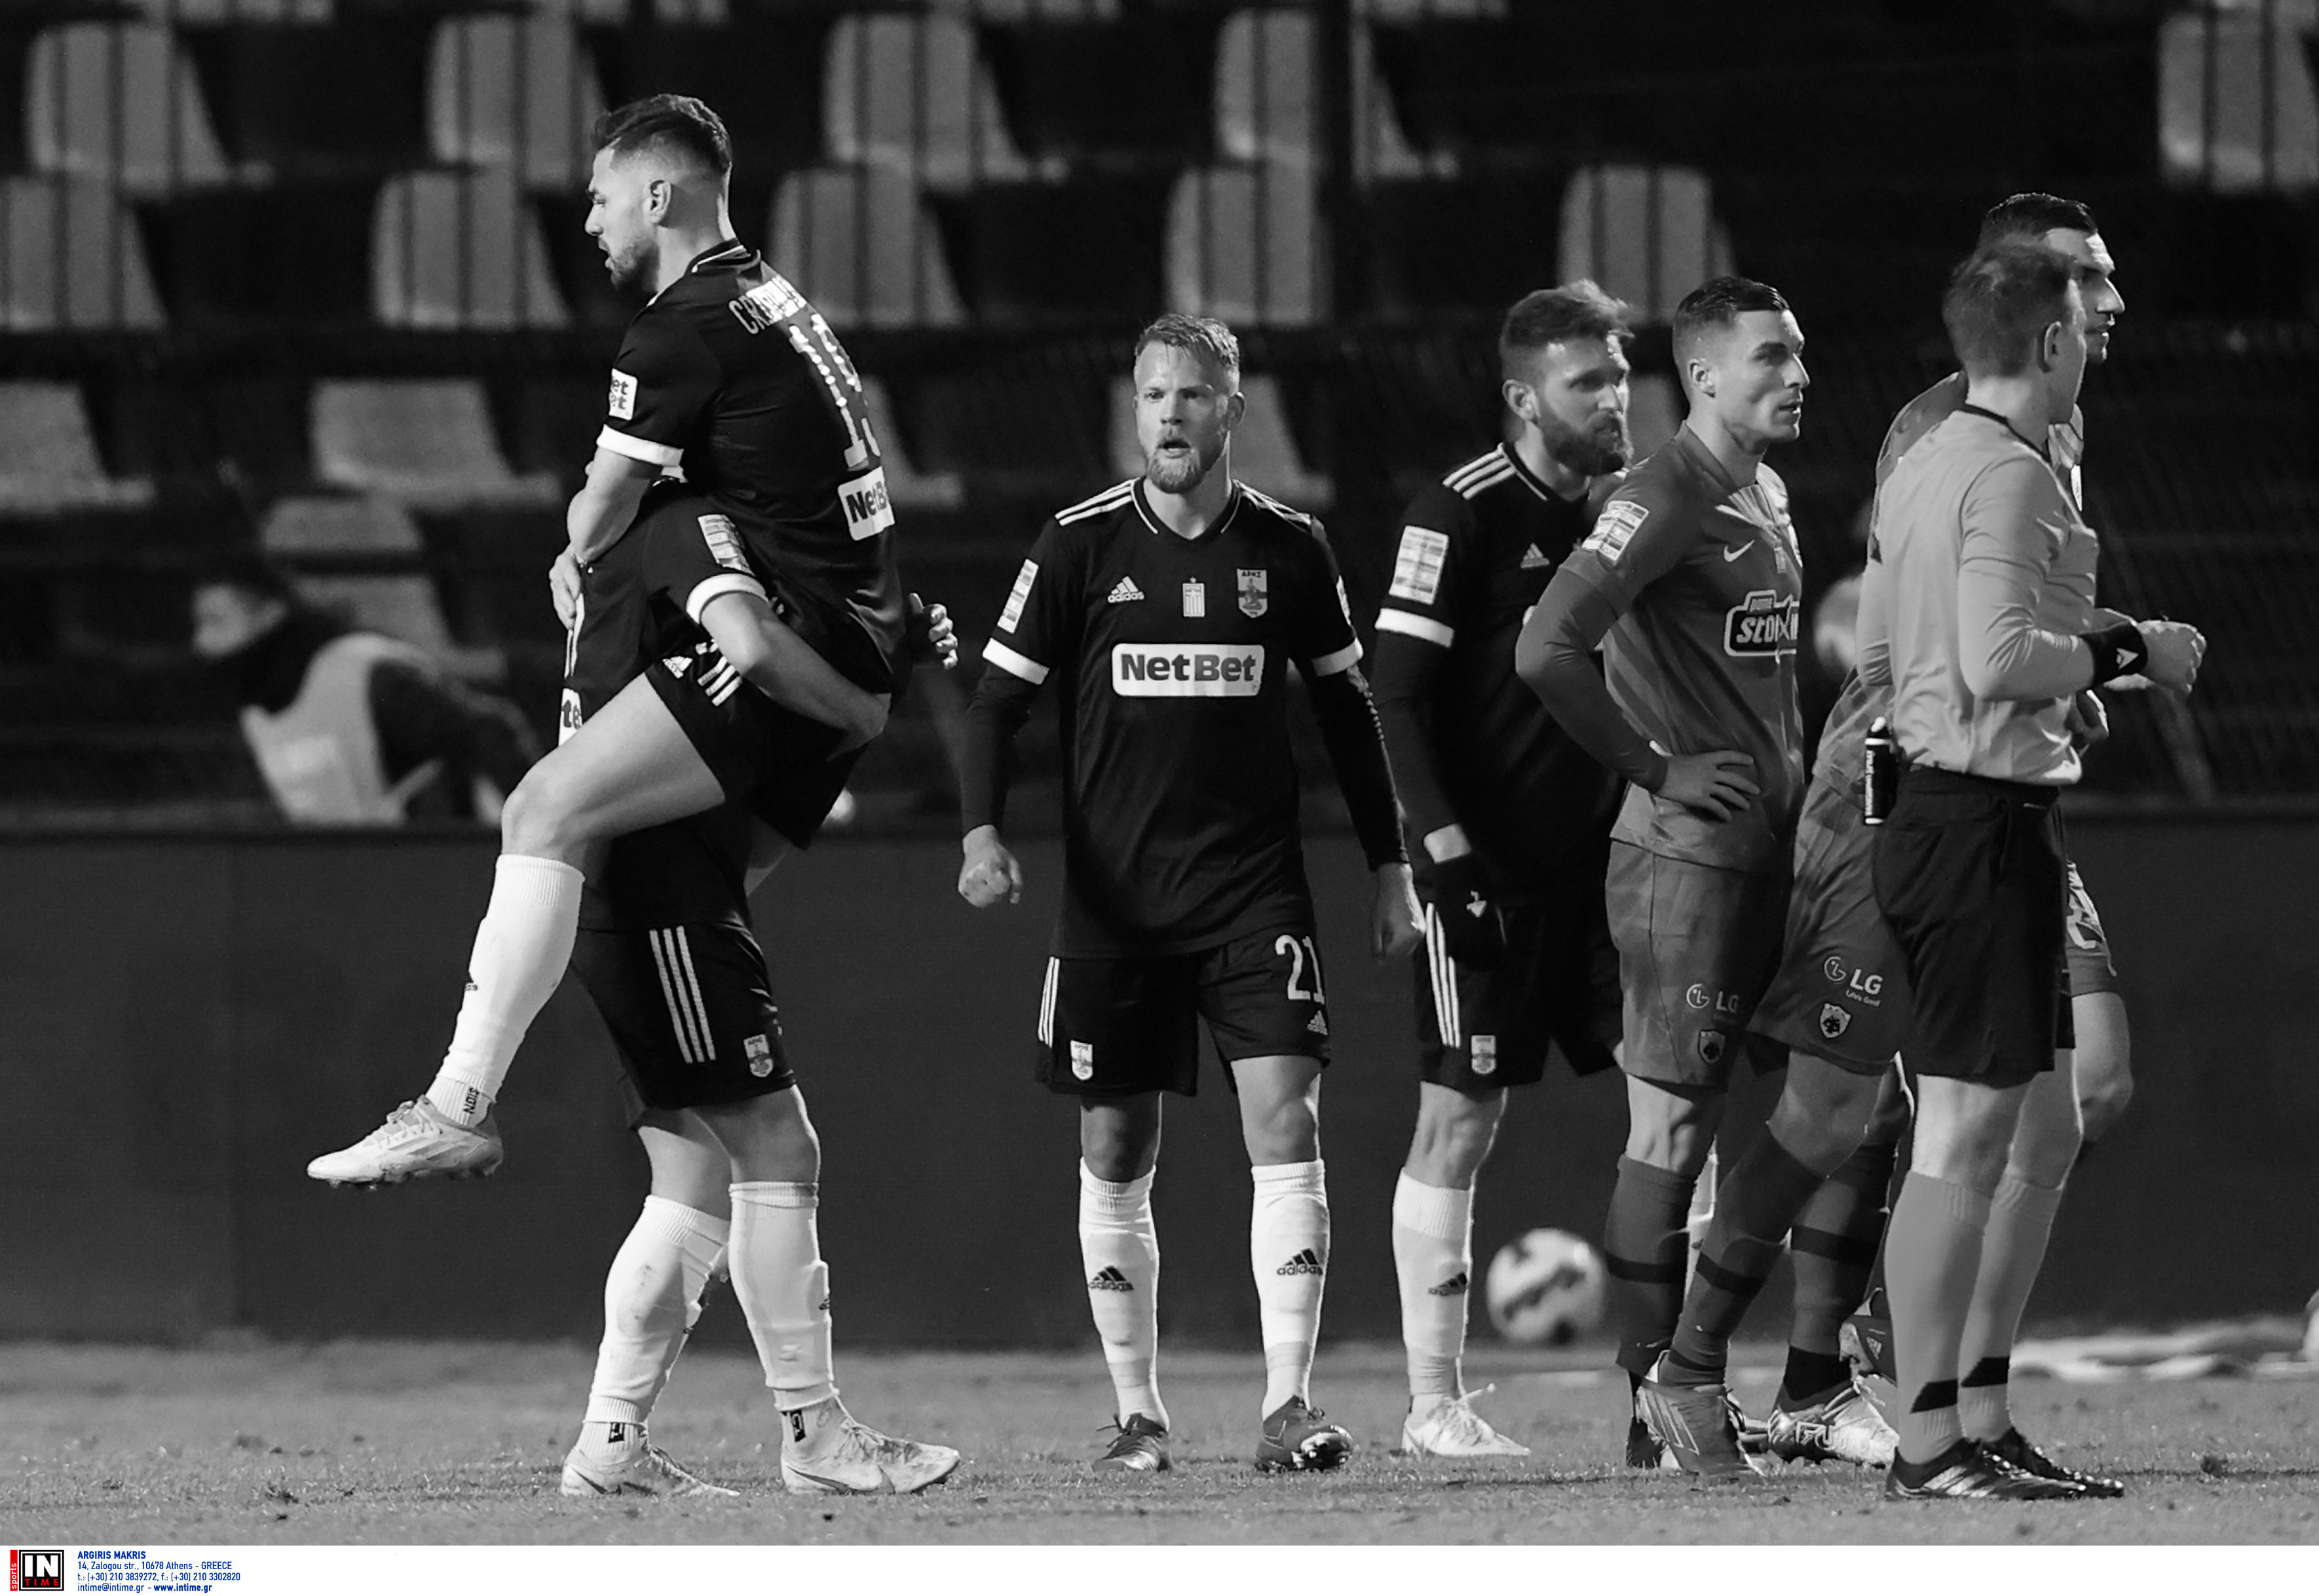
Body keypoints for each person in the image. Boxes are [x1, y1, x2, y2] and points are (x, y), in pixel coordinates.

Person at [308, 96, 909, 1186]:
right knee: (706, 1156)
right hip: (846, 645)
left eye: (600, 198)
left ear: (658, 194)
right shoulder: (774, 303)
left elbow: (601, 506)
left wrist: (582, 542)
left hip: (791, 651)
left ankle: (457, 1105)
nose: (589, 222)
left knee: (546, 811)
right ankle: (481, 1123)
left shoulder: (680, 332)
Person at [957, 314, 1423, 1475]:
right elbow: (997, 701)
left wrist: (1391, 865)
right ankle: (1140, 1416)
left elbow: (1349, 711)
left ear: (1234, 412)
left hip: (1252, 897)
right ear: (1136, 408)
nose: (1170, 413)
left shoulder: (1292, 548)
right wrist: (979, 833)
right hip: (1114, 906)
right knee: (1115, 1141)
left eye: (1194, 395)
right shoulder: (1076, 545)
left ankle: (1289, 1406)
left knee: (1288, 1121)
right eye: (1153, 394)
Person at [1729, 195, 2141, 1491]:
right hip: (1937, 788)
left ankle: (1966, 1403)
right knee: (1904, 1106)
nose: (2110, 303)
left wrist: (2059, 684)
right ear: (2036, 305)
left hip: (2000, 787)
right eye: (2088, 281)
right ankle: (1878, 1394)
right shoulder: (1961, 438)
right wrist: (2107, 659)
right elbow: (1926, 641)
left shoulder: (2050, 434)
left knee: (2058, 1108)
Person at [1864, 240, 2202, 1501]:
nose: (2095, 336)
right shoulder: (2007, 472)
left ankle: (1967, 1419)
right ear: (2050, 341)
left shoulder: (1924, 461)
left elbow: (1901, 647)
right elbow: (1999, 656)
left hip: (1950, 809)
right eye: (2083, 318)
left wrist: (2059, 683)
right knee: (1961, 1131)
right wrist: (2132, 652)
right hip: (1975, 822)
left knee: (2013, 1121)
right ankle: (1929, 1441)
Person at [549, 494, 962, 1498]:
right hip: (657, 902)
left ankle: (610, 1448)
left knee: (691, 1181)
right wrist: (865, 679)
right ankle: (815, 1434)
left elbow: (761, 841)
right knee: (779, 1147)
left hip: (655, 899)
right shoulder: (695, 563)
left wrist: (876, 676)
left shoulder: (681, 593)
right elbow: (754, 658)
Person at [1514, 275, 1809, 1479]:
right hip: (1687, 866)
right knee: (1675, 1129)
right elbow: (1545, 646)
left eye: (1798, 354)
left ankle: (1818, 1381)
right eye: (1772, 357)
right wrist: (1657, 766)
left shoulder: (1764, 490)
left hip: (1778, 856)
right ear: (1702, 376)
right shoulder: (1661, 495)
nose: (1797, 376)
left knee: (1854, 1104)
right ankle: (1659, 1402)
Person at [1368, 282, 1629, 1458]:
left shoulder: (1632, 512)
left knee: (1675, 1101)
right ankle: (1434, 1403)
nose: (1616, 398)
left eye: (1619, 376)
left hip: (1614, 871)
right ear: (1525, 398)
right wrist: (1445, 855)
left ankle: (1676, 1389)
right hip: (1492, 877)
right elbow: (1394, 696)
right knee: (1461, 1119)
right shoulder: (1459, 512)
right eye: (1589, 381)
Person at [191, 556, 538, 824]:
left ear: (270, 613)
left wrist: (531, 845)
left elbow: (488, 730)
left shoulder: (365, 673)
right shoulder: (256, 713)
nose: (202, 641)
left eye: (216, 621)